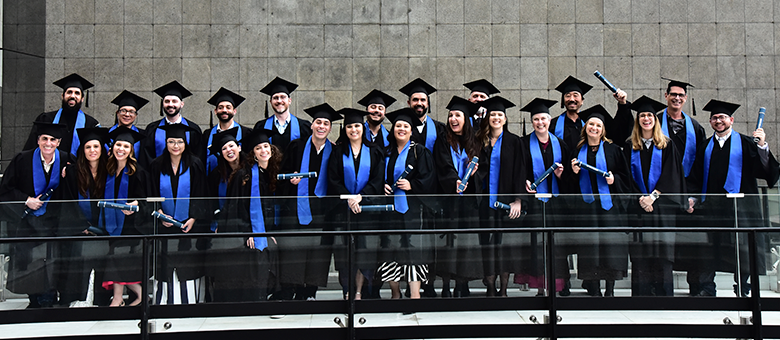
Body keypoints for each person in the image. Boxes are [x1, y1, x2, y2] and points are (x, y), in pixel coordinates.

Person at [686, 99, 780, 297]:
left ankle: (743, 288)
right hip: (712, 207)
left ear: (731, 120)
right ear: (710, 122)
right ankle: (707, 288)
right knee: (709, 247)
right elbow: (695, 177)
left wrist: (762, 145)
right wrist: (693, 198)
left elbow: (765, 171)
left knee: (743, 248)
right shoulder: (704, 147)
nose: (718, 121)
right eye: (714, 118)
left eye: (722, 117)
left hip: (742, 207)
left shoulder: (747, 143)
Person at [1, 122, 75, 308]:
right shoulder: (22, 159)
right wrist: (26, 199)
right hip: (28, 220)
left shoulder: (67, 159)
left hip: (54, 221)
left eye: (52, 140)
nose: (48, 143)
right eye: (44, 139)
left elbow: (76, 187)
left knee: (53, 260)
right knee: (31, 261)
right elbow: (5, 189)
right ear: (38, 140)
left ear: (58, 142)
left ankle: (51, 297)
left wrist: (71, 174)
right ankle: (34, 299)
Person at [275, 103, 341, 300]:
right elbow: (280, 177)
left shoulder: (335, 151)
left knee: (317, 253)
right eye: (318, 122)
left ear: (330, 128)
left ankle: (308, 292)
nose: (321, 126)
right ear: (312, 125)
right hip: (295, 209)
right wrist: (291, 180)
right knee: (293, 251)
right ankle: (288, 290)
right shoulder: (296, 146)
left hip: (323, 212)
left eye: (326, 123)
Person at [622, 96, 685, 297]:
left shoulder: (666, 144)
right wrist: (641, 198)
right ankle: (641, 295)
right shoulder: (629, 145)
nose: (646, 118)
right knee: (641, 254)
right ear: (637, 119)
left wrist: (653, 197)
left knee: (662, 252)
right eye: (642, 115)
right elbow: (626, 177)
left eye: (649, 115)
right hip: (638, 207)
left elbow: (672, 174)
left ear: (655, 120)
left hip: (662, 208)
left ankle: (663, 295)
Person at [568, 105, 631, 297]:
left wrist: (615, 180)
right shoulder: (576, 150)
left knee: (610, 248)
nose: (594, 128)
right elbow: (569, 185)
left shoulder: (613, 150)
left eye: (598, 125)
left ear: (603, 130)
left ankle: (610, 289)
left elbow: (625, 177)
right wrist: (573, 173)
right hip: (587, 209)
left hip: (609, 209)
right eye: (590, 124)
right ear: (585, 127)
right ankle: (593, 287)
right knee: (590, 248)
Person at [209, 128, 276, 302]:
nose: (263, 151)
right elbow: (236, 207)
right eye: (258, 148)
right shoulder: (243, 175)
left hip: (256, 231)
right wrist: (250, 231)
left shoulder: (263, 172)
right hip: (244, 232)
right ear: (252, 153)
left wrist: (267, 232)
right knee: (248, 269)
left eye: (266, 147)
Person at [327, 108, 386, 300]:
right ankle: (347, 290)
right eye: (350, 126)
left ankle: (360, 291)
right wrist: (348, 197)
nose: (354, 129)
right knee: (345, 254)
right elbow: (333, 179)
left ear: (363, 127)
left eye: (357, 126)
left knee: (364, 252)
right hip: (343, 211)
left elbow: (378, 179)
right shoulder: (337, 151)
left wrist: (361, 196)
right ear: (345, 129)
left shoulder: (375, 151)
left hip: (366, 209)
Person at [378, 108, 436, 299]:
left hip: (413, 210)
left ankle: (414, 295)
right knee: (390, 248)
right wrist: (383, 186)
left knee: (413, 251)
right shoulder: (386, 153)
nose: (401, 129)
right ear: (393, 129)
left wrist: (413, 185)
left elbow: (429, 178)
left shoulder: (420, 151)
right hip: (389, 210)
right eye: (398, 126)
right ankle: (395, 294)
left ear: (411, 131)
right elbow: (376, 177)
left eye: (405, 126)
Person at [148, 123, 209, 304]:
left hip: (188, 227)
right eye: (171, 141)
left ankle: (190, 301)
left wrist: (193, 218)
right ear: (166, 143)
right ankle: (164, 301)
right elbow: (151, 194)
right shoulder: (157, 165)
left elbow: (201, 193)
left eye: (180, 142)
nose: (176, 146)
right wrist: (159, 212)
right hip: (164, 226)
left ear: (185, 143)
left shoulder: (195, 164)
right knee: (165, 265)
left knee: (187, 265)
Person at [474, 96, 527, 297]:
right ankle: (490, 286)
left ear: (505, 119)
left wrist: (518, 200)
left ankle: (504, 289)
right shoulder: (479, 140)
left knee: (504, 247)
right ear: (487, 117)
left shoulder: (515, 141)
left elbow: (521, 171)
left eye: (499, 115)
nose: (496, 117)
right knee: (487, 244)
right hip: (484, 203)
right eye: (493, 114)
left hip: (506, 205)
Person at [432, 96, 483, 298]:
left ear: (466, 119)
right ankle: (445, 284)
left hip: (469, 202)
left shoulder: (475, 142)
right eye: (451, 115)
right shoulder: (443, 140)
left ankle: (463, 284)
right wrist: (454, 180)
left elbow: (483, 169)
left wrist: (475, 173)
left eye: (457, 115)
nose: (453, 119)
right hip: (450, 201)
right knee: (449, 244)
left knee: (466, 244)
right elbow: (442, 165)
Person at [518, 98, 570, 296]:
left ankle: (557, 287)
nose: (540, 123)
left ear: (550, 120)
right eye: (536, 119)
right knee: (536, 245)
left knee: (556, 246)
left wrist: (561, 176)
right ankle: (540, 288)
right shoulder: (523, 144)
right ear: (532, 122)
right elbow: (519, 170)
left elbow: (570, 179)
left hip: (556, 204)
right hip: (534, 203)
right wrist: (524, 183)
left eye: (544, 119)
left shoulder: (561, 145)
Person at [57, 127, 110, 306]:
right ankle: (77, 301)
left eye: (96, 146)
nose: (92, 150)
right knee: (78, 265)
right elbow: (68, 201)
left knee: (102, 262)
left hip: (104, 229)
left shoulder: (109, 172)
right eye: (88, 147)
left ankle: (101, 299)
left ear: (102, 149)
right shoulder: (72, 173)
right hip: (80, 229)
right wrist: (82, 225)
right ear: (82, 150)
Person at [100, 127, 149, 306]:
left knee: (116, 258)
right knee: (115, 259)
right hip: (111, 223)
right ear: (112, 147)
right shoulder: (107, 170)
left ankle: (119, 298)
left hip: (131, 225)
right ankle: (136, 295)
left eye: (126, 146)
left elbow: (147, 200)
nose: (121, 149)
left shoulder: (138, 172)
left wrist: (137, 204)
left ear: (131, 150)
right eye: (118, 145)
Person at [549, 76, 631, 151]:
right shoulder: (553, 125)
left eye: (575, 95)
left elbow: (618, 134)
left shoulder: (593, 123)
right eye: (568, 96)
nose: (571, 99)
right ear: (563, 100)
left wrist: (623, 104)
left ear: (582, 101)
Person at [24, 74, 100, 155]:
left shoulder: (91, 124)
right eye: (69, 92)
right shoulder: (46, 119)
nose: (72, 96)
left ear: (82, 99)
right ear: (63, 96)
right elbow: (31, 147)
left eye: (77, 93)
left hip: (78, 167)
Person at [143, 80, 202, 166]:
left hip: (187, 177)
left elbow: (198, 157)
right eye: (167, 101)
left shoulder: (193, 129)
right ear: (162, 104)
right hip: (158, 176)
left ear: (182, 104)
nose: (170, 104)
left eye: (174, 101)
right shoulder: (152, 129)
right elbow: (146, 157)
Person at [253, 77, 312, 152]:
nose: (279, 101)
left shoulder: (304, 127)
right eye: (275, 98)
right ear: (271, 102)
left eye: (283, 97)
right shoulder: (261, 127)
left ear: (289, 100)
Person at [201, 87, 252, 173]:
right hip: (214, 182)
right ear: (215, 111)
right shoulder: (207, 135)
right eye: (221, 107)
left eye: (228, 107)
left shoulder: (246, 133)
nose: (224, 110)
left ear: (234, 111)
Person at [206, 127, 246, 233]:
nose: (229, 150)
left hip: (245, 222)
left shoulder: (250, 170)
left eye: (231, 146)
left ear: (239, 148)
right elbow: (212, 199)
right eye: (224, 148)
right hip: (224, 222)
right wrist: (220, 221)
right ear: (221, 154)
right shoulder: (217, 174)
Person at [399, 78, 445, 153]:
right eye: (415, 100)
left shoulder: (440, 129)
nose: (419, 103)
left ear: (428, 103)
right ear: (408, 103)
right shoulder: (401, 129)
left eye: (423, 100)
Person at [108, 90, 149, 168]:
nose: (127, 114)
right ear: (117, 113)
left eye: (131, 112)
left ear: (136, 115)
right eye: (123, 111)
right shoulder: (106, 134)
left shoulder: (143, 136)